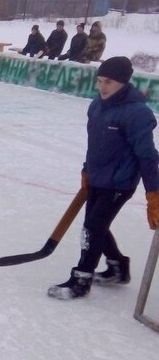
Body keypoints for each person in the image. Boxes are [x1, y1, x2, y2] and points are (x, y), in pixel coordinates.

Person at [48, 57, 159, 300]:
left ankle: (81, 280)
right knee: (96, 225)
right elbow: (94, 144)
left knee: (93, 227)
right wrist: (86, 169)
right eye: (99, 81)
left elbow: (148, 156)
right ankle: (118, 267)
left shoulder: (137, 114)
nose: (102, 87)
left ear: (123, 82)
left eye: (108, 82)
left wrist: (154, 193)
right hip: (97, 177)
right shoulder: (97, 106)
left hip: (119, 183)